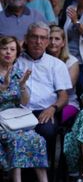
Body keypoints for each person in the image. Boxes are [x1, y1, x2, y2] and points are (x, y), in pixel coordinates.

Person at [16, 22, 71, 170]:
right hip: (19, 112)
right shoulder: (16, 62)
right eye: (34, 37)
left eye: (42, 38)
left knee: (47, 131)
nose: (38, 42)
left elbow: (64, 96)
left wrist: (53, 108)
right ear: (26, 39)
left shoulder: (57, 65)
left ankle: (46, 174)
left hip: (44, 111)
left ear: (47, 41)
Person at [0, 36, 48, 182]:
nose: (8, 52)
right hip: (1, 121)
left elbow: (25, 102)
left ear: (16, 54)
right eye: (4, 48)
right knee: (16, 140)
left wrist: (22, 86)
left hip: (15, 119)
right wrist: (3, 87)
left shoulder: (19, 73)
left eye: (12, 49)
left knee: (38, 139)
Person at [46, 25, 80, 125]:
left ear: (63, 42)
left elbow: (68, 87)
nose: (53, 42)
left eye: (57, 39)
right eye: (50, 38)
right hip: (45, 102)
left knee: (57, 119)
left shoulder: (72, 61)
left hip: (69, 102)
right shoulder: (41, 59)